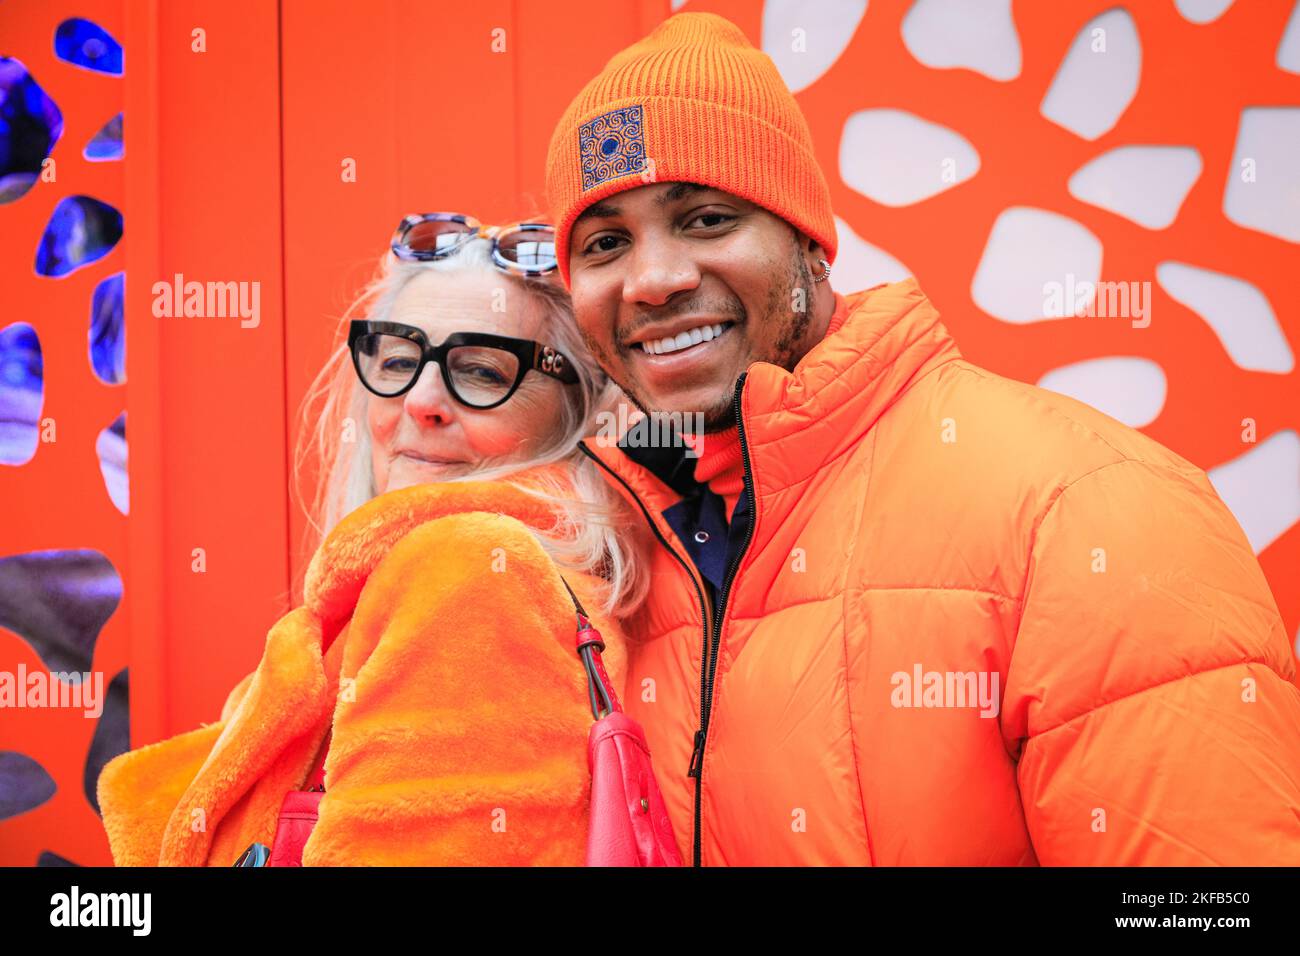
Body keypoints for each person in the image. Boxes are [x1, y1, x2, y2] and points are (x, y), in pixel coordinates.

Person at [543, 12, 1300, 865]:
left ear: (809, 247)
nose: (654, 279)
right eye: (607, 243)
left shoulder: (1084, 507)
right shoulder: (607, 559)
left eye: (708, 219)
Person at [97, 214, 657, 865]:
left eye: (479, 370)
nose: (421, 399)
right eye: (399, 358)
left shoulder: (472, 572)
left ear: (577, 410)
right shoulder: (456, 573)